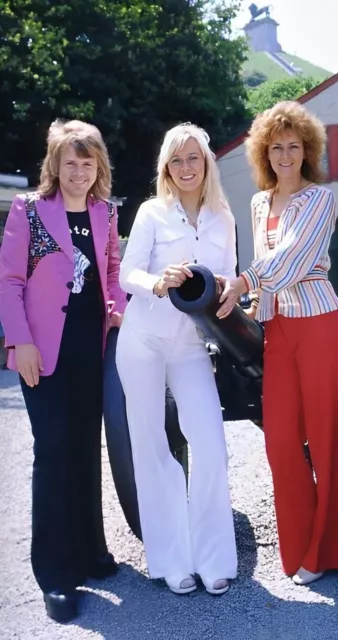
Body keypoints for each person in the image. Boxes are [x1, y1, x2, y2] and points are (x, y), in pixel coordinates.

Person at [218, 101, 338, 586]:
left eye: (293, 146)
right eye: (275, 147)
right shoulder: (259, 203)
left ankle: (330, 550)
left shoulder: (320, 199)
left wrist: (246, 281)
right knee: (280, 442)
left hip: (319, 323)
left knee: (324, 440)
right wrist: (257, 301)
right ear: (263, 152)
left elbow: (296, 256)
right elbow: (270, 269)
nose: (284, 155)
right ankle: (298, 546)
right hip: (278, 329)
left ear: (307, 150)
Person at [0, 119, 126, 623]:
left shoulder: (105, 213)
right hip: (42, 352)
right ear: (54, 164)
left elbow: (111, 272)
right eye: (70, 162)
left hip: (90, 346)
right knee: (53, 454)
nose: (78, 171)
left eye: (87, 161)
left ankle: (90, 551)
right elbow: (8, 282)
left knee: (83, 449)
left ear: (99, 166)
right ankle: (54, 573)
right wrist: (20, 342)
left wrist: (116, 307)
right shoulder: (28, 210)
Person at [116, 123, 238, 596]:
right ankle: (170, 561)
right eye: (176, 160)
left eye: (194, 158)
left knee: (209, 442)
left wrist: (228, 292)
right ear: (166, 167)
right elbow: (127, 272)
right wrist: (157, 280)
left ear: (206, 162)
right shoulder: (151, 212)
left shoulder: (222, 217)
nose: (186, 167)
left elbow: (226, 278)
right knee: (151, 448)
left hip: (190, 344)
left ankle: (213, 560)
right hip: (143, 337)